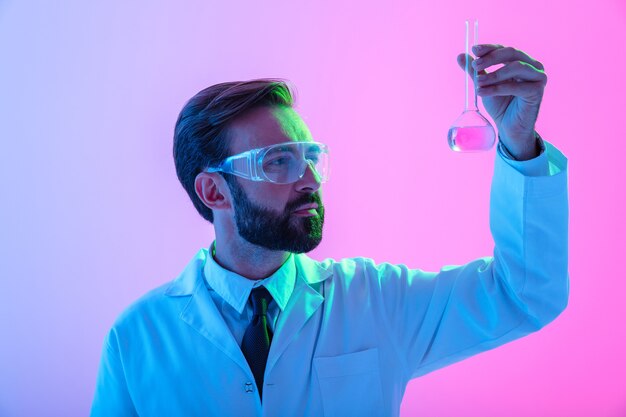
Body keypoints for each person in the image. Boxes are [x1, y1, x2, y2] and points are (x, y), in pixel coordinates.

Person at [91, 44, 569, 417]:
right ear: (214, 192)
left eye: (310, 157)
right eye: (279, 161)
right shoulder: (138, 339)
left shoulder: (375, 301)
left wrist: (519, 143)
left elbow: (524, 295)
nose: (309, 179)